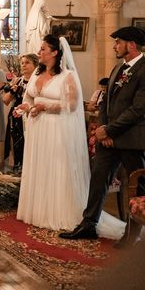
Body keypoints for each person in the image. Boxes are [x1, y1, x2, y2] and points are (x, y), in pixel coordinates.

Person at [16, 34, 125, 238]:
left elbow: (71, 106)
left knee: (56, 168)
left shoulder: (67, 76)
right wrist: (27, 106)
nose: (39, 52)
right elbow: (30, 96)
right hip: (38, 127)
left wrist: (43, 106)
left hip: (56, 129)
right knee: (41, 167)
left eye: (43, 49)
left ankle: (59, 213)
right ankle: (39, 211)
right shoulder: (37, 73)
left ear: (55, 53)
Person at [60, 26, 145, 246]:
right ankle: (88, 225)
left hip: (131, 139)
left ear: (132, 45)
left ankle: (134, 232)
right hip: (109, 137)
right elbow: (106, 101)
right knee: (98, 180)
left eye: (118, 42)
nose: (115, 46)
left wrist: (110, 130)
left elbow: (138, 109)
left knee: (137, 185)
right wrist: (103, 127)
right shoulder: (119, 68)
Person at [1, 53, 38, 173]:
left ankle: (30, 169)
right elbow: (5, 100)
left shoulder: (37, 80)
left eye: (27, 63)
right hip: (16, 115)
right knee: (17, 143)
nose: (24, 65)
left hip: (31, 114)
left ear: (35, 65)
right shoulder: (18, 81)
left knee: (30, 142)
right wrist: (12, 91)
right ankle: (18, 167)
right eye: (22, 63)